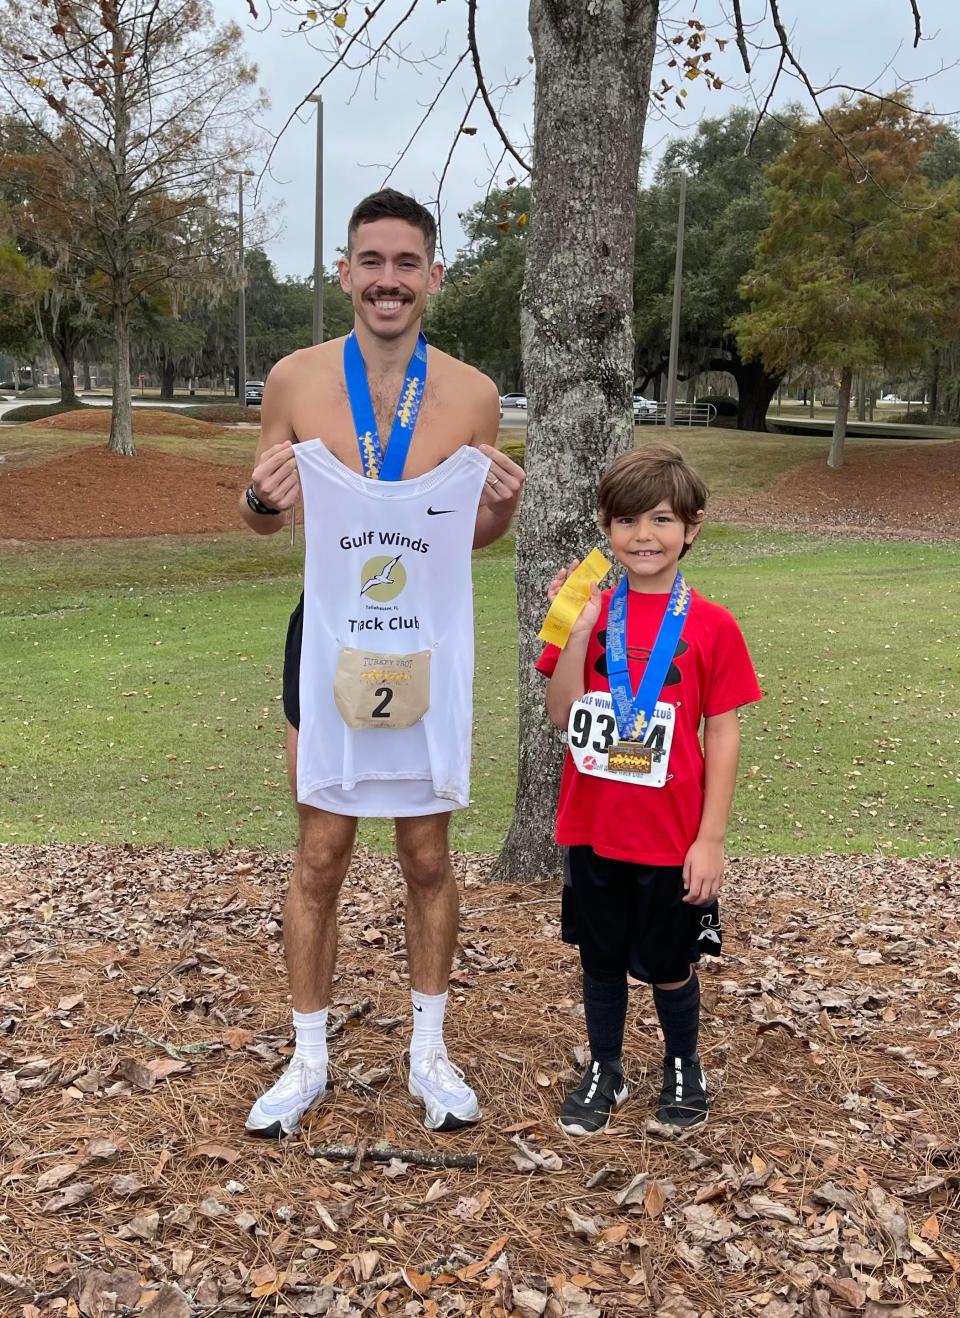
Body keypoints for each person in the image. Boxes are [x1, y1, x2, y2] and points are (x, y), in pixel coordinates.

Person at [239, 188, 524, 1138]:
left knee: (426, 852)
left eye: (407, 263)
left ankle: (429, 1052)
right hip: (328, 636)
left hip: (426, 644)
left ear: (433, 277)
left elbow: (471, 536)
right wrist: (259, 498)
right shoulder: (293, 380)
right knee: (320, 852)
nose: (388, 280)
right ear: (345, 273)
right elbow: (261, 516)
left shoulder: (475, 395)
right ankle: (307, 1056)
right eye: (372, 262)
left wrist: (503, 508)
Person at [537, 444, 761, 1136]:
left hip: (672, 834)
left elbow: (722, 734)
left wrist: (712, 839)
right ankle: (605, 1067)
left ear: (691, 528)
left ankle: (682, 1064)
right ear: (606, 529)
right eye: (627, 520)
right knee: (600, 960)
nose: (643, 536)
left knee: (670, 964)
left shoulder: (713, 624)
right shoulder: (588, 609)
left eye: (661, 520)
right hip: (594, 824)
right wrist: (574, 634)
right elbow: (561, 714)